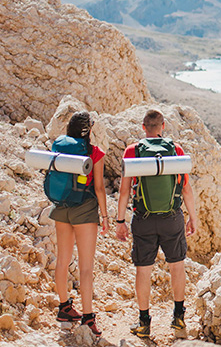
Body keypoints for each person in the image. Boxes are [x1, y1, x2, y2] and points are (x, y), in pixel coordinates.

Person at [115, 109, 198, 339]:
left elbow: (124, 192)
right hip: (172, 218)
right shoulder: (175, 150)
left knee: (143, 269)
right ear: (163, 126)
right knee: (177, 266)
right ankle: (179, 316)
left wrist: (120, 221)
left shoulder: (133, 151)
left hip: (143, 219)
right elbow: (186, 189)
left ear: (143, 127)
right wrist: (193, 217)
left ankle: (144, 322)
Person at [51, 111, 109, 336]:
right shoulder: (95, 153)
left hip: (61, 207)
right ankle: (88, 317)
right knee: (86, 267)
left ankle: (64, 307)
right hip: (85, 210)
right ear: (90, 130)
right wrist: (104, 216)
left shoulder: (59, 147)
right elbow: (99, 188)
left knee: (62, 261)